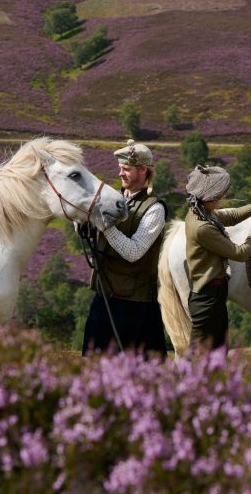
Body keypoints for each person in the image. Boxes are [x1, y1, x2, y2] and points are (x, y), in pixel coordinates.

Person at [81, 140, 167, 357]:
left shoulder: (155, 209)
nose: (121, 174)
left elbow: (133, 252)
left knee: (134, 371)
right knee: (93, 362)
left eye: (126, 169)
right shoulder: (115, 202)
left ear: (143, 170)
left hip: (134, 304)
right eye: (120, 168)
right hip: (105, 294)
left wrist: (105, 225)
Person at [184, 165, 251, 350]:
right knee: (197, 354)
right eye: (219, 195)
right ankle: (185, 380)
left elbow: (227, 216)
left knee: (218, 350)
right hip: (207, 298)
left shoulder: (199, 211)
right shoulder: (203, 228)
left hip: (213, 293)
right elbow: (240, 253)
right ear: (209, 198)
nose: (222, 198)